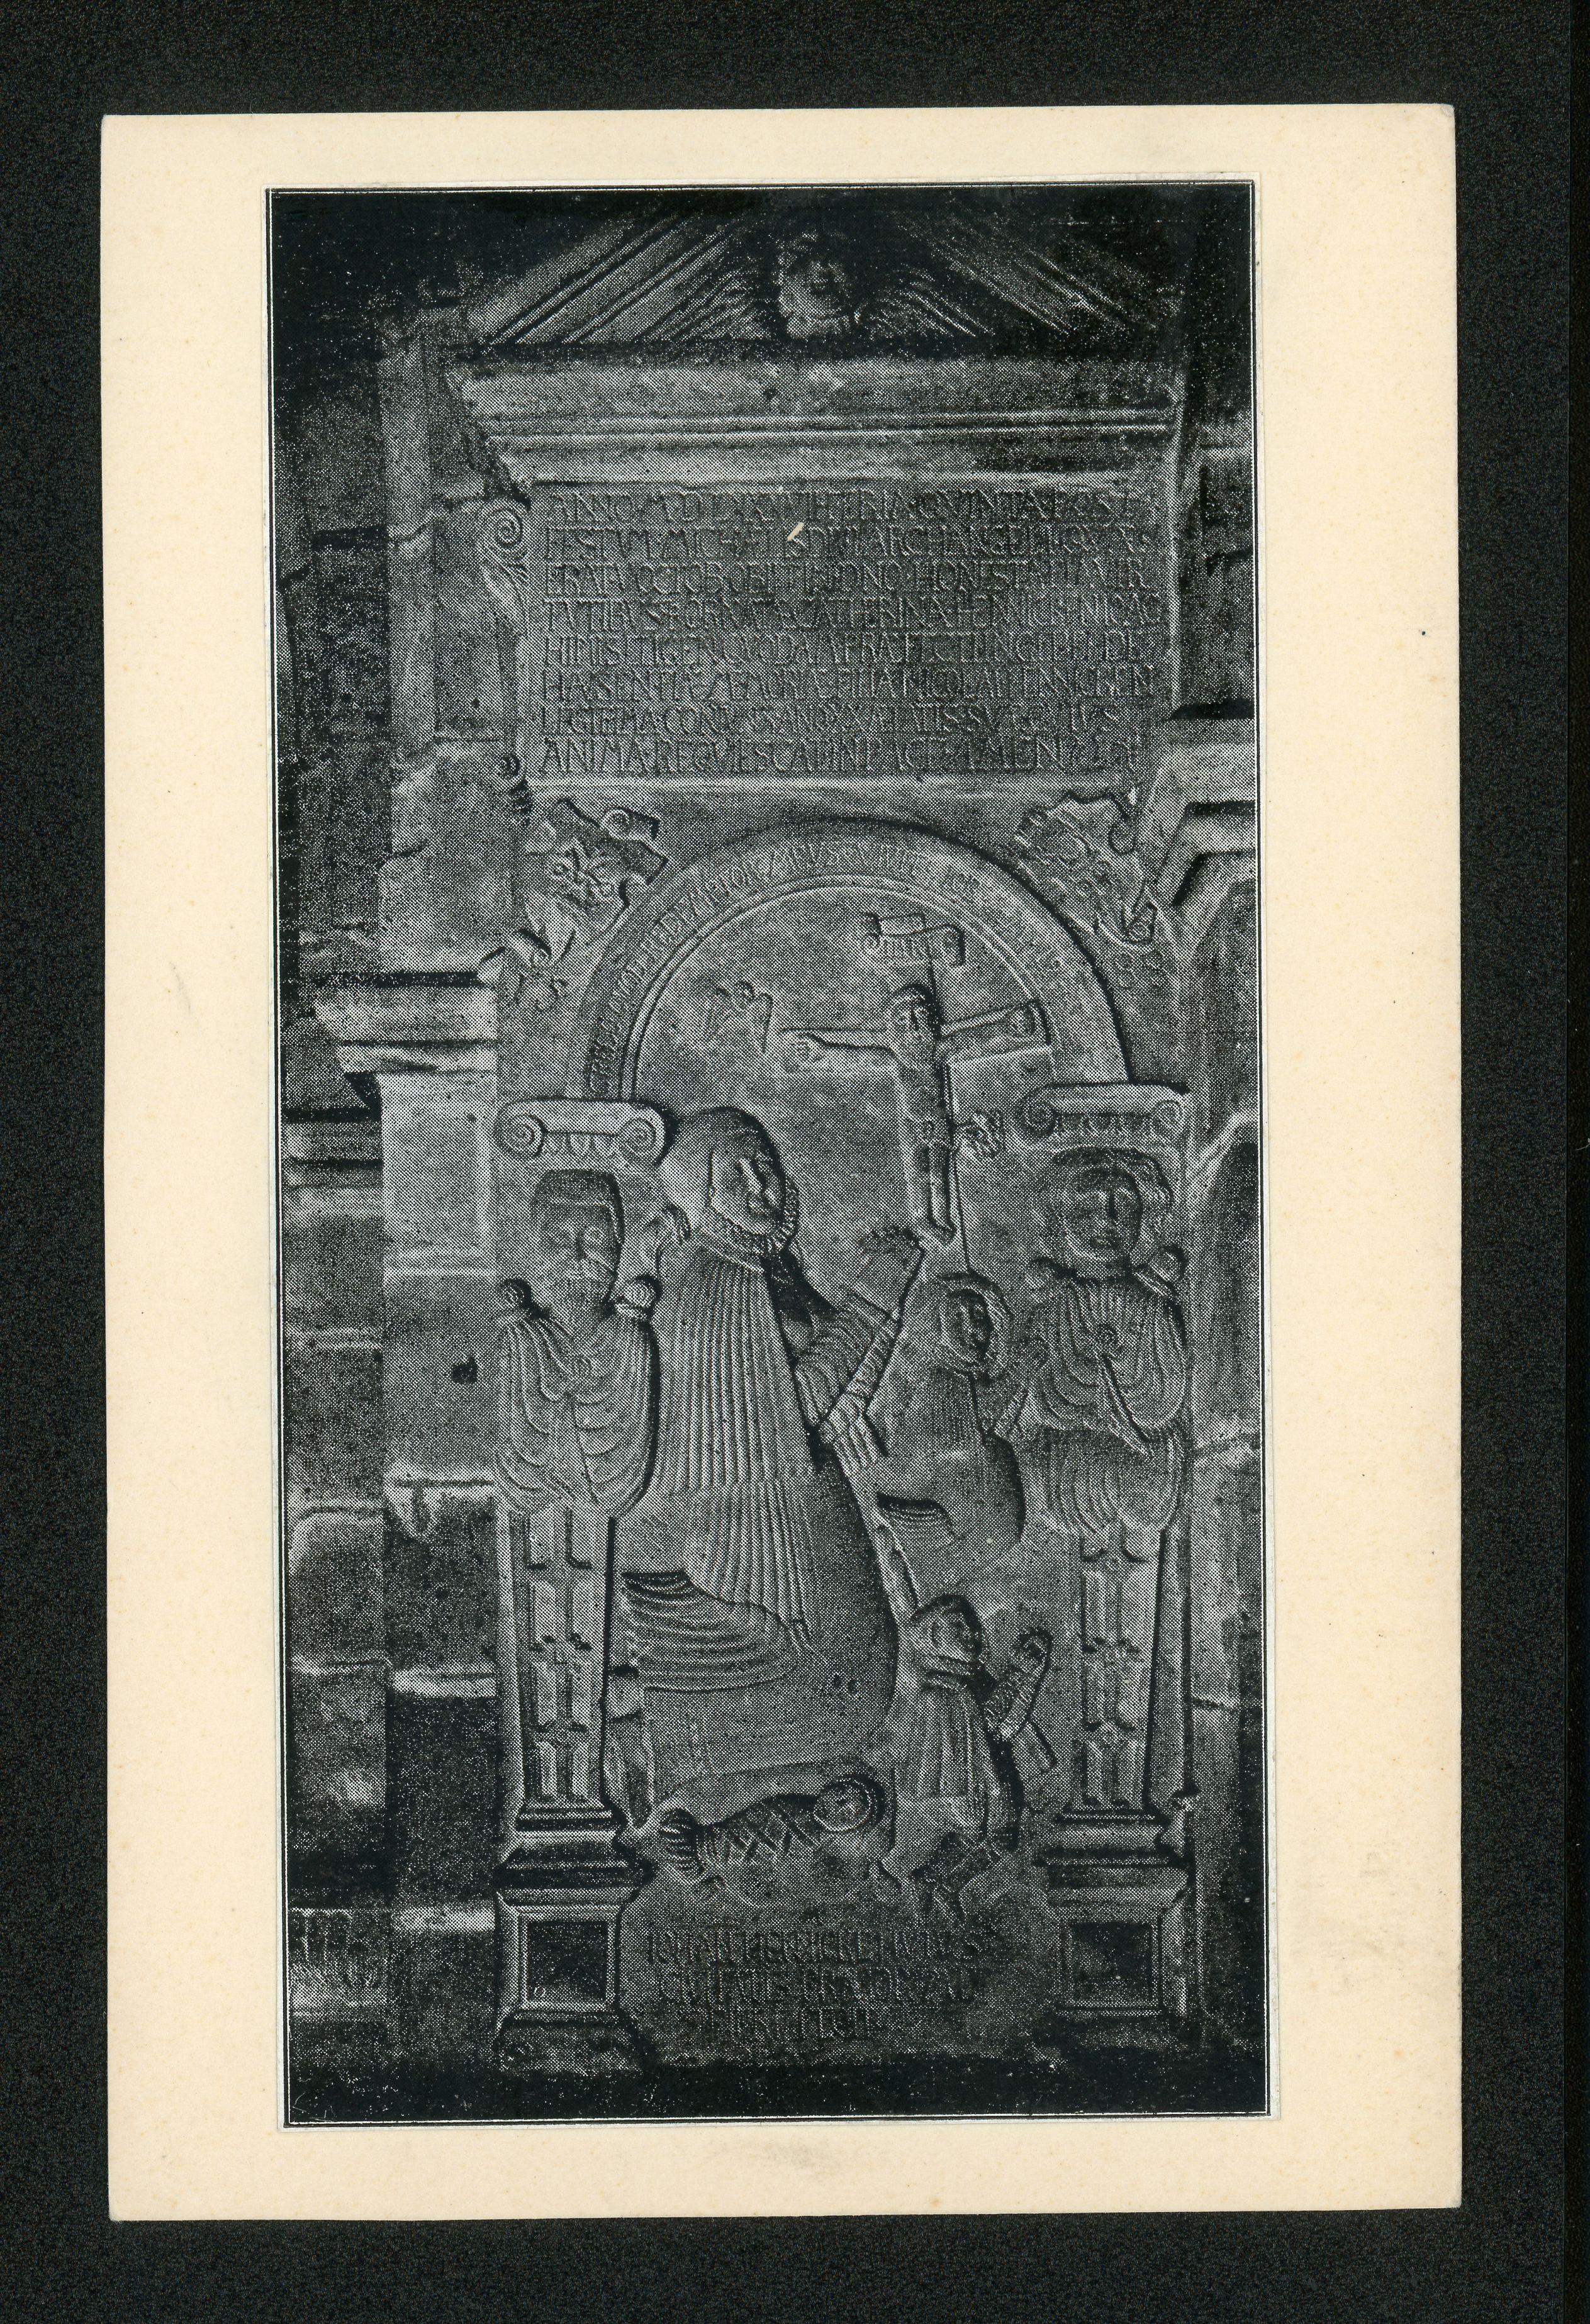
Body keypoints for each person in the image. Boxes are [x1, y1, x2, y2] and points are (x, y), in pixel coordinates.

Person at [618, 1109, 919, 1810]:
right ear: (701, 1191)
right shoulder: (709, 1280)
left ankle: (681, 1744)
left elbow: (845, 1394)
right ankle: (666, 1751)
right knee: (826, 1682)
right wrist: (876, 1296)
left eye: (767, 1167)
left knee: (855, 1680)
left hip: (802, 1496)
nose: (761, 1186)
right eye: (737, 1174)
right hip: (756, 1518)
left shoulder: (764, 1268)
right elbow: (794, 1405)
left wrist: (887, 1297)